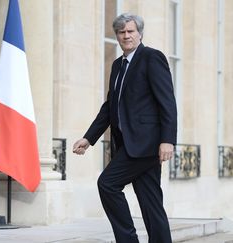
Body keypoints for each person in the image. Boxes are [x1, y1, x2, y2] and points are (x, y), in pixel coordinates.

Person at [73, 13, 177, 243]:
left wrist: (167, 139)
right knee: (151, 203)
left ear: (140, 33)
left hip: (145, 143)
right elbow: (110, 106)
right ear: (117, 36)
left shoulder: (152, 58)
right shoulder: (118, 65)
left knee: (107, 183)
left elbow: (167, 101)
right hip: (128, 144)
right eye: (121, 32)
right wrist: (89, 138)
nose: (126, 35)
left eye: (130, 31)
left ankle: (127, 239)